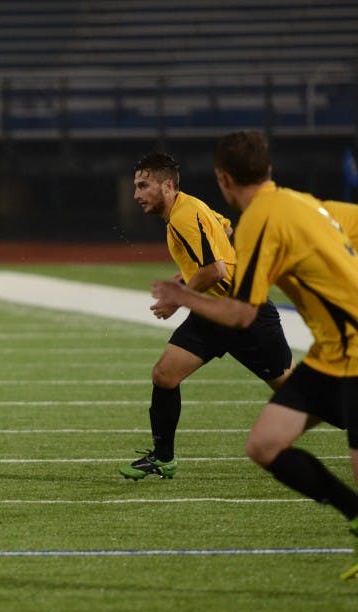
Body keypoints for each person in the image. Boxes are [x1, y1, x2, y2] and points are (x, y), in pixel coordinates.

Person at [151, 131, 358, 579]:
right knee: (264, 444)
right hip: (330, 354)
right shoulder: (305, 203)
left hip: (353, 353)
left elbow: (242, 312)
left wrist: (181, 296)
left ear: (224, 180)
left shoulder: (262, 219)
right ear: (268, 169)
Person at [120, 153, 294, 480]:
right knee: (164, 376)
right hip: (213, 314)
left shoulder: (185, 215)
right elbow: (225, 230)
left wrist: (177, 298)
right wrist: (188, 279)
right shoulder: (188, 208)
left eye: (143, 185)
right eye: (136, 186)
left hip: (245, 316)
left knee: (297, 393)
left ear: (167, 185)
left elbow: (213, 270)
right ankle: (163, 458)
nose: (136, 194)